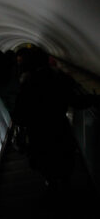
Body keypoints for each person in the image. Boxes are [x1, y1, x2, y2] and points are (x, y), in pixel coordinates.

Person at [14, 47, 98, 191]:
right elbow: (77, 101)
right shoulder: (57, 77)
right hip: (59, 128)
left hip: (38, 134)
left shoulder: (26, 84)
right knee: (63, 160)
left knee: (46, 163)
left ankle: (51, 185)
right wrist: (94, 99)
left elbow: (18, 117)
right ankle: (66, 186)